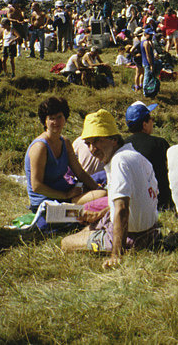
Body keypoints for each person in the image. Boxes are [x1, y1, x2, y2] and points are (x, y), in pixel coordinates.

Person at [60, 109, 160, 269]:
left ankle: (107, 241)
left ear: (113, 140)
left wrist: (116, 255)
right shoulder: (134, 154)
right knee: (90, 227)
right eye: (88, 144)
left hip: (133, 237)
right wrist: (102, 213)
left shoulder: (119, 162)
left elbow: (122, 209)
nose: (92, 149)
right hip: (151, 232)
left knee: (66, 242)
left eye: (97, 141)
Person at [24, 97, 105, 212]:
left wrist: (96, 187)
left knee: (102, 187)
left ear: (65, 118)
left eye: (59, 117)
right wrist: (66, 195)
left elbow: (80, 172)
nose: (56, 122)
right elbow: (36, 186)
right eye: (51, 118)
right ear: (45, 121)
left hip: (66, 193)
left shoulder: (65, 143)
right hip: (48, 200)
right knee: (102, 196)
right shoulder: (40, 147)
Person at [124, 101, 172, 211]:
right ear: (144, 125)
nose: (153, 122)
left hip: (134, 205)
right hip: (161, 203)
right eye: (151, 119)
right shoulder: (160, 143)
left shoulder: (123, 145)